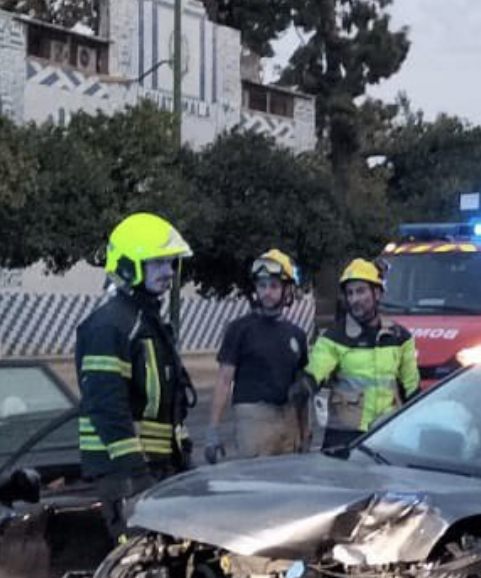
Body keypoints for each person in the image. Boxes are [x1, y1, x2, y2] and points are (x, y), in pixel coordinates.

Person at [76, 212, 196, 520]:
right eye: (158, 262)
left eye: (170, 262)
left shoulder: (149, 323)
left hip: (159, 467)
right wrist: (134, 472)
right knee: (138, 563)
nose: (168, 271)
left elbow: (170, 406)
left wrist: (184, 458)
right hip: (125, 472)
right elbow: (106, 404)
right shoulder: (110, 325)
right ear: (129, 265)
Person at [207, 250, 312, 461]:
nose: (267, 292)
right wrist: (213, 432)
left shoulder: (297, 335)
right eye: (262, 286)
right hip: (253, 423)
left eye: (274, 286)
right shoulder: (239, 330)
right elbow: (224, 381)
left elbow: (302, 390)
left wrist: (305, 431)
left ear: (287, 289)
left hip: (288, 422)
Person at [306, 258, 419, 451]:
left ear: (377, 293)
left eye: (360, 291)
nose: (354, 299)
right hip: (344, 436)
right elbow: (317, 369)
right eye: (349, 293)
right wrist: (306, 383)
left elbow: (412, 389)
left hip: (386, 433)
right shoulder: (334, 336)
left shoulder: (400, 337)